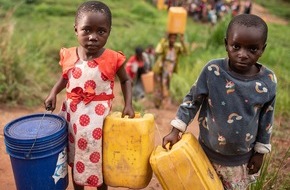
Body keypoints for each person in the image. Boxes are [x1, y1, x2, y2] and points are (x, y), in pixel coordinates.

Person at [162, 14, 277, 189]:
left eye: (252, 49)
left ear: (263, 49)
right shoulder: (213, 71)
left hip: (240, 162)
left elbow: (266, 119)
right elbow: (192, 100)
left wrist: (260, 153)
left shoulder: (268, 81)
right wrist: (176, 129)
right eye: (236, 46)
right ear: (226, 44)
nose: (242, 54)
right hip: (205, 154)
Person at [44, 1, 135, 190]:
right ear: (76, 29)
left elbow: (126, 81)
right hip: (73, 118)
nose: (93, 37)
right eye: (87, 30)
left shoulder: (112, 59)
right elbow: (64, 78)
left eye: (101, 32)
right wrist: (53, 93)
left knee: (99, 156)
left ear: (109, 31)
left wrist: (128, 105)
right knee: (76, 153)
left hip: (99, 121)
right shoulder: (69, 55)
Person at [153, 33, 187, 108]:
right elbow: (157, 51)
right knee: (159, 85)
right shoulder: (164, 45)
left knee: (166, 84)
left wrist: (182, 42)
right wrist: (163, 39)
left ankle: (164, 103)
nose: (172, 40)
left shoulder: (177, 47)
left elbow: (185, 53)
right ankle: (157, 103)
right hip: (162, 66)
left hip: (170, 67)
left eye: (174, 38)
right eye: (171, 38)